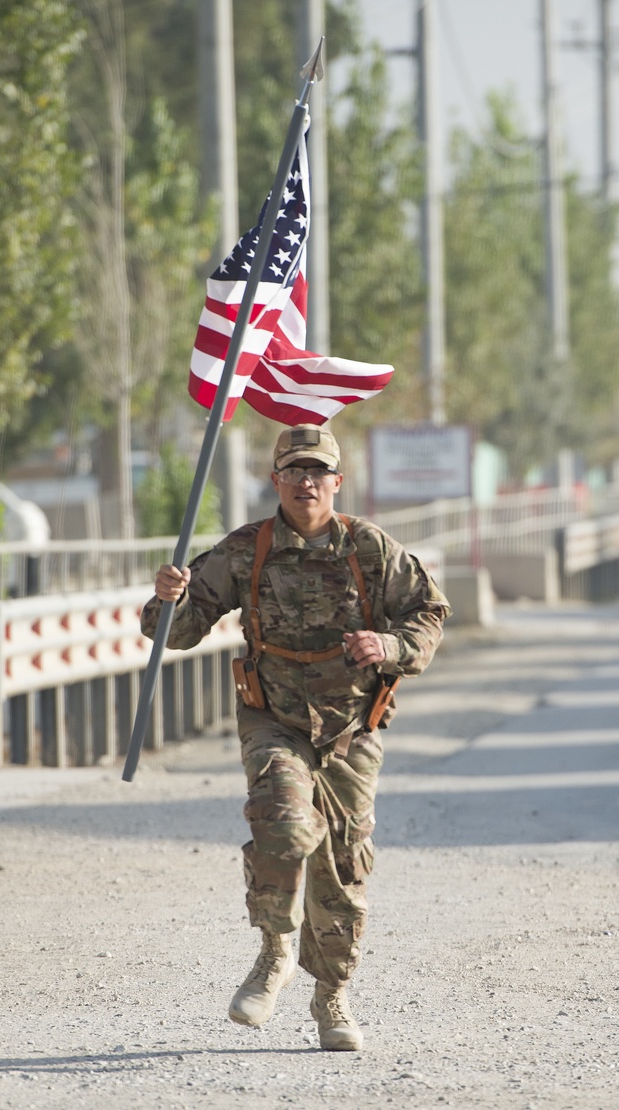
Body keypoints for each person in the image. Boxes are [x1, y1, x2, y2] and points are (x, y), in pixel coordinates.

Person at [141, 423, 450, 1051]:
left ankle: (331, 995)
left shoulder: (370, 548)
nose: (306, 482)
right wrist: (166, 602)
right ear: (276, 480)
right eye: (294, 471)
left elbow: (429, 611)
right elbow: (178, 632)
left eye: (318, 472)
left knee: (342, 864)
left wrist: (388, 645)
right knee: (282, 821)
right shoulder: (245, 550)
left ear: (338, 481)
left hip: (350, 725)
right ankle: (274, 950)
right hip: (274, 716)